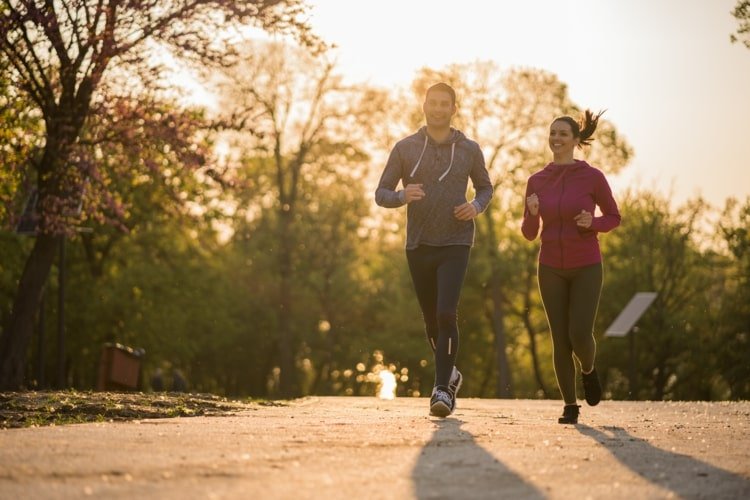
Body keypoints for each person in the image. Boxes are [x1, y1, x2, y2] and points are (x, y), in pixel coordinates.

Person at [375, 83, 493, 417]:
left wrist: (476, 206)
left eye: (445, 104)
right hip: (419, 243)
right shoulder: (405, 148)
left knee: (445, 313)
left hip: (457, 240)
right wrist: (401, 196)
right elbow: (381, 193)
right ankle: (450, 373)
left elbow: (485, 187)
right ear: (424, 106)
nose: (439, 109)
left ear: (454, 108)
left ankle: (441, 390)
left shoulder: (469, 149)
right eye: (434, 103)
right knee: (431, 321)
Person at [522, 110, 621, 424]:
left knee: (579, 333)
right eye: (553, 133)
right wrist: (533, 213)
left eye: (563, 133)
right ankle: (570, 405)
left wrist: (594, 222)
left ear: (577, 141)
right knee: (559, 339)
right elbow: (528, 233)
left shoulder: (592, 177)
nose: (556, 139)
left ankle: (589, 370)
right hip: (550, 265)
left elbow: (613, 217)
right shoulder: (536, 180)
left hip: (586, 264)